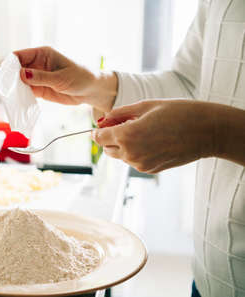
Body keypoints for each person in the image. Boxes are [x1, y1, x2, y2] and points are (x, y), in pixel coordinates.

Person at [14, 1, 245, 296]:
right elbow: (189, 82)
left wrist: (215, 132)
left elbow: (210, 115)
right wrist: (95, 85)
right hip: (209, 276)